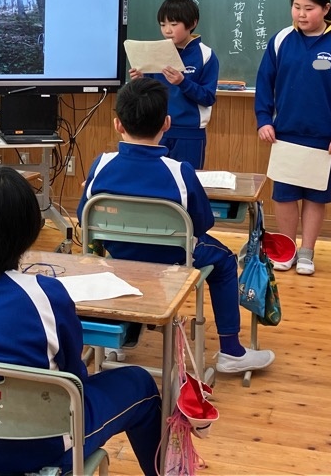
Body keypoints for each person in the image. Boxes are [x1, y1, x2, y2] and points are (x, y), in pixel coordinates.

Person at [0, 165, 162, 476]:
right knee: (140, 383)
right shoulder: (45, 296)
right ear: (26, 232)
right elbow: (73, 379)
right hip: (42, 449)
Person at [78, 77, 275, 375]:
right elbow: (202, 223)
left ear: (117, 124)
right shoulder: (180, 171)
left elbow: (84, 215)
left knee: (132, 261)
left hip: (117, 254)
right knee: (224, 261)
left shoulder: (101, 164)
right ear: (167, 123)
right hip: (173, 258)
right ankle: (231, 351)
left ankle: (117, 342)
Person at [255, 0, 331, 276]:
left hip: (324, 137)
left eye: (309, 8)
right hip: (284, 134)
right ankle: (286, 250)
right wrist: (264, 119)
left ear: (325, 8)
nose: (301, 14)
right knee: (284, 196)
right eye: (297, 7)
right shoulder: (281, 40)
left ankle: (306, 253)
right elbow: (264, 82)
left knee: (315, 196)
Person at [128, 0, 218, 169]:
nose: (167, 30)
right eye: (163, 25)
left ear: (192, 23)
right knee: (156, 178)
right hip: (156, 130)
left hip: (189, 133)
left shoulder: (206, 55)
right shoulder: (156, 51)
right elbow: (151, 93)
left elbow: (208, 97)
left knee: (186, 178)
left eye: (174, 24)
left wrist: (183, 82)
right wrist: (140, 80)